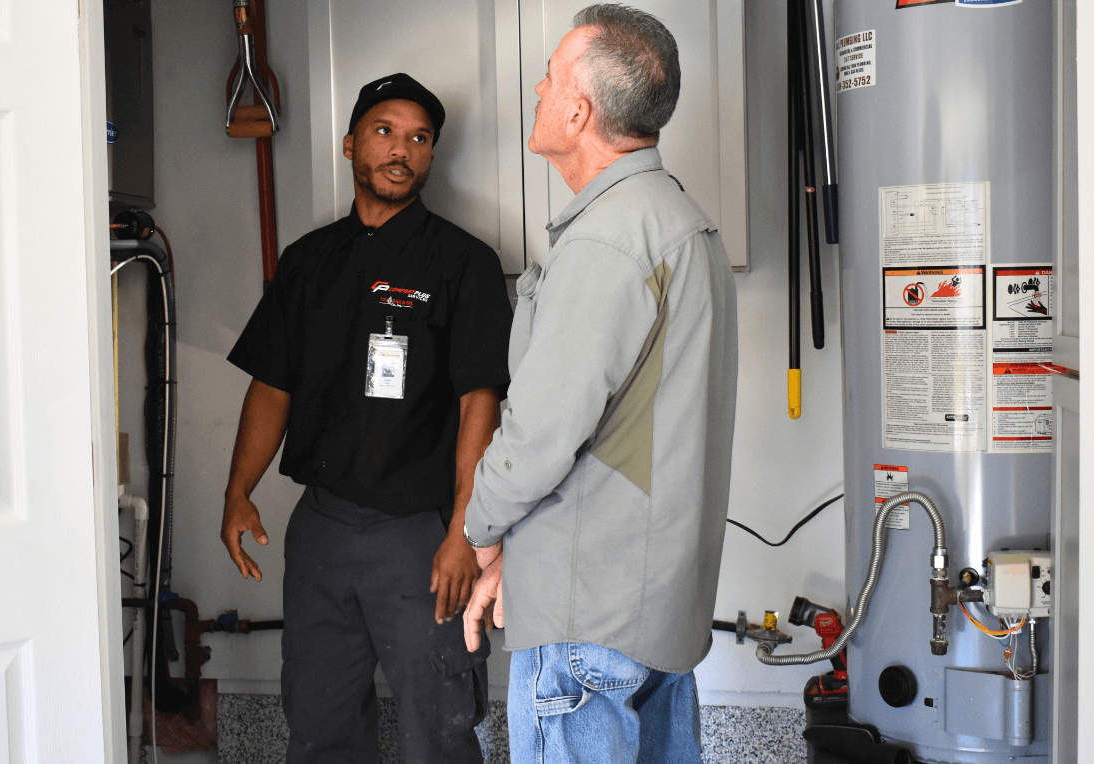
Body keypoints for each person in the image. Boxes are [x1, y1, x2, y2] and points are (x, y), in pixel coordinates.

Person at [460, 6, 739, 763]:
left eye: (551, 75)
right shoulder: (681, 222)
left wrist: (482, 533)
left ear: (578, 110)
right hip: (655, 613)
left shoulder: (609, 241)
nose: (540, 87)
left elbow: (541, 433)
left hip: (589, 626)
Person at [221, 73, 513, 764]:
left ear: (431, 156)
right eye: (385, 131)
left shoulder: (463, 263)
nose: (400, 150)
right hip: (321, 529)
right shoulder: (310, 261)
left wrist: (463, 534)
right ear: (351, 143)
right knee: (318, 724)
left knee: (437, 727)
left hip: (419, 535)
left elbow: (482, 402)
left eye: (419, 138)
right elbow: (272, 384)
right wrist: (239, 492)